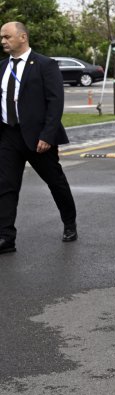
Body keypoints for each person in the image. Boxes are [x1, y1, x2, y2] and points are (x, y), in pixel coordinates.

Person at [0, 22, 77, 254]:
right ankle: (6, 237)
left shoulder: (45, 64)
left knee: (55, 181)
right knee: (5, 186)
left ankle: (69, 223)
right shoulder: (2, 67)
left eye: (7, 36)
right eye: (1, 37)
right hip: (8, 135)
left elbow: (55, 102)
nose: (3, 41)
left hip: (37, 137)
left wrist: (47, 135)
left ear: (22, 37)